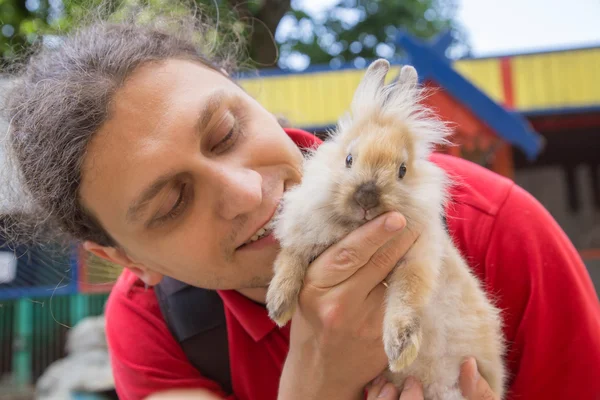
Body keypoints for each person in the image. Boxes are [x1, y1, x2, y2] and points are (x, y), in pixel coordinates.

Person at [2, 6, 599, 400]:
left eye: (227, 133)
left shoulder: (490, 223)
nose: (244, 192)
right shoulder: (155, 325)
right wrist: (313, 381)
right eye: (172, 204)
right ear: (128, 260)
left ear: (251, 95)